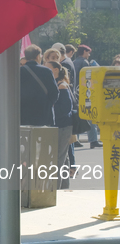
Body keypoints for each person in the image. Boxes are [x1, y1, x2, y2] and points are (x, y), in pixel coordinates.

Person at [44, 60, 74, 188]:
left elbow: (66, 108)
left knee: (58, 159)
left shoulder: (62, 85)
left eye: (48, 68)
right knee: (63, 157)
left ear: (56, 69)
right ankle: (64, 186)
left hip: (62, 126)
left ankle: (55, 190)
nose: (46, 70)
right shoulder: (54, 83)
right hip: (59, 125)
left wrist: (50, 110)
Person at [20, 45, 59, 127]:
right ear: (38, 56)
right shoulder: (46, 71)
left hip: (23, 114)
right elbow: (54, 92)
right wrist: (48, 103)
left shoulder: (19, 71)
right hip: (43, 114)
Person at [73, 45, 102, 148]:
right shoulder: (85, 63)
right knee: (90, 116)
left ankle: (76, 140)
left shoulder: (74, 62)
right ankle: (93, 140)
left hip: (76, 93)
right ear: (84, 51)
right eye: (88, 52)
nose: (89, 55)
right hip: (85, 93)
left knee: (78, 116)